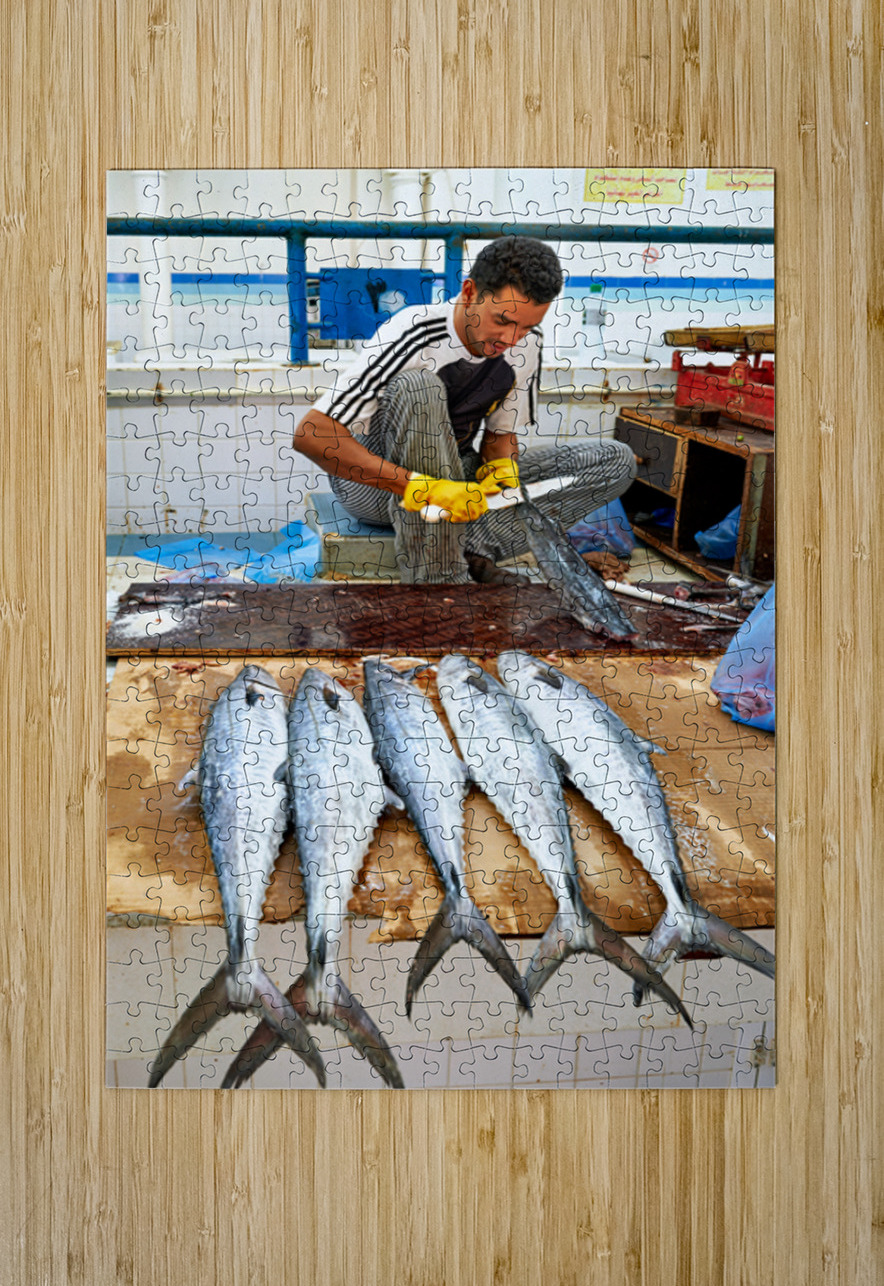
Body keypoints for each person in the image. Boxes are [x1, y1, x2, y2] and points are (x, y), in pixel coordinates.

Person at [293, 235, 636, 584]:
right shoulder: (414, 330)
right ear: (470, 292)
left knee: (614, 459)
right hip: (380, 488)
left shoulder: (525, 345)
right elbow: (312, 435)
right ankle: (440, 576)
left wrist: (502, 468)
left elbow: (501, 436)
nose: (511, 338)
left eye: (527, 326)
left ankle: (475, 548)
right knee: (419, 387)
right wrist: (420, 487)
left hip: (457, 475)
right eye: (502, 319)